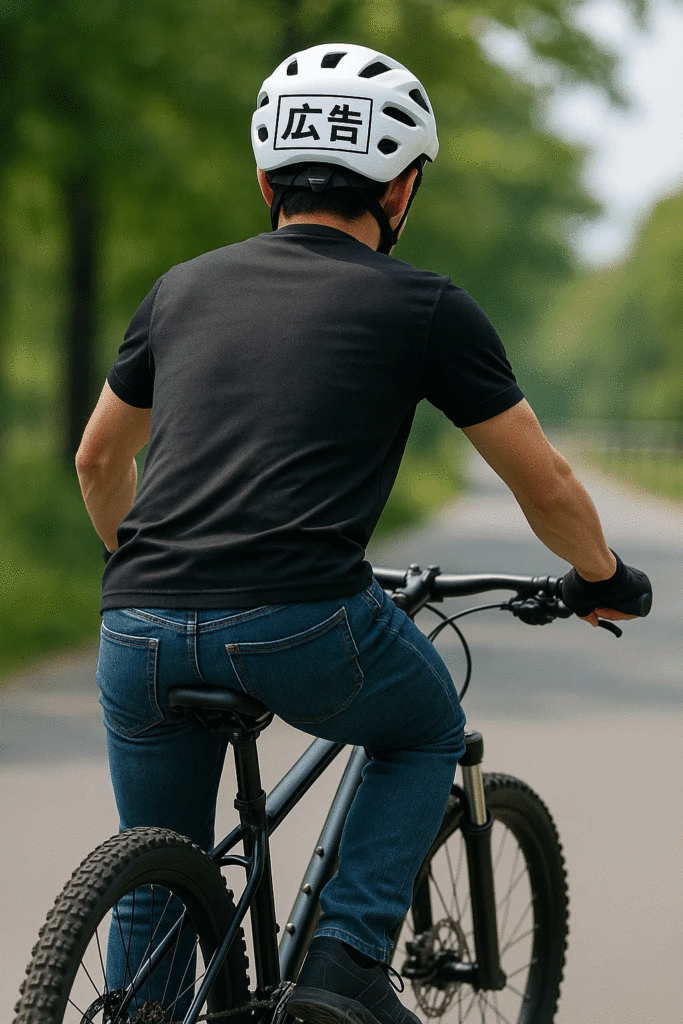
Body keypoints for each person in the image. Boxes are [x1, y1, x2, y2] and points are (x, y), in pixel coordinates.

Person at [75, 43, 651, 1024]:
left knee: (157, 875)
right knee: (425, 725)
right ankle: (343, 964)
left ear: (264, 177)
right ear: (402, 186)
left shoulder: (180, 288)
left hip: (135, 629)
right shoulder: (424, 305)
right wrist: (599, 573)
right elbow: (544, 483)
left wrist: (148, 576)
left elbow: (97, 461)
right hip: (299, 621)